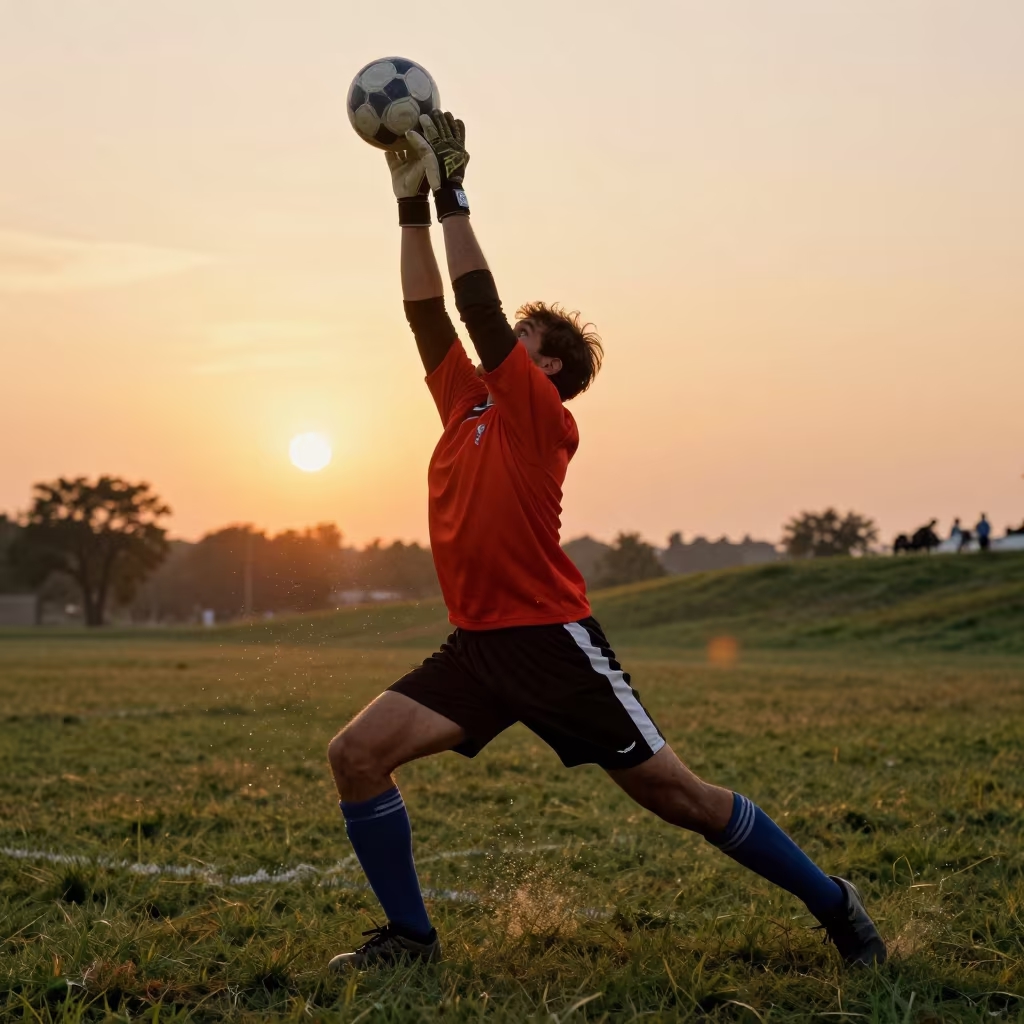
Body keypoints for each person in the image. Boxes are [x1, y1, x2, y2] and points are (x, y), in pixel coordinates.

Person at [325, 109, 886, 971]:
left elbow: (475, 306)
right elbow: (426, 312)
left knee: (679, 798)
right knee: (357, 755)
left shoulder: (536, 415)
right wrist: (408, 203)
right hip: (477, 648)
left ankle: (834, 903)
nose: (503, 344)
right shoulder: (467, 402)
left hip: (552, 644)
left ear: (546, 371)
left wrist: (455, 194)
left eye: (522, 341)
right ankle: (412, 941)